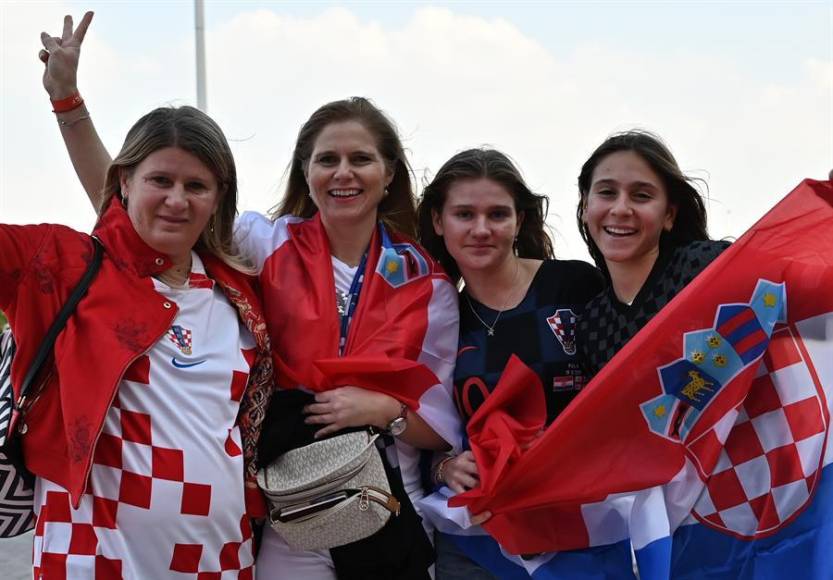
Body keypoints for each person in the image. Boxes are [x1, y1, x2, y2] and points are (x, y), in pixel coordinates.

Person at [39, 13, 461, 580]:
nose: (344, 173)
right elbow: (130, 214)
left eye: (361, 159)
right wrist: (70, 106)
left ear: (389, 175)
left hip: (385, 504)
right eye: (326, 159)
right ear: (305, 172)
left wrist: (387, 413)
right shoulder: (262, 243)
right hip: (290, 509)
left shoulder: (427, 283)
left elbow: (443, 428)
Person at [0, 105, 273, 577]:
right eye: (160, 181)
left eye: (196, 186)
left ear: (217, 197)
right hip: (91, 560)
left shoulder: (240, 291)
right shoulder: (62, 265)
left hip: (223, 560)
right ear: (124, 181)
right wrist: (68, 104)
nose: (177, 200)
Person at [416, 148, 605, 578]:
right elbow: (422, 430)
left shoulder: (575, 284)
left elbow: (627, 385)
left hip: (583, 530)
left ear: (520, 220)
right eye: (464, 214)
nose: (481, 229)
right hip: (479, 545)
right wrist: (444, 468)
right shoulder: (437, 319)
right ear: (437, 222)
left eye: (497, 214)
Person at [574, 130, 730, 375]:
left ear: (669, 214)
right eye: (607, 192)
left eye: (642, 196)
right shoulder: (591, 327)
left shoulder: (709, 268)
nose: (621, 209)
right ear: (585, 205)